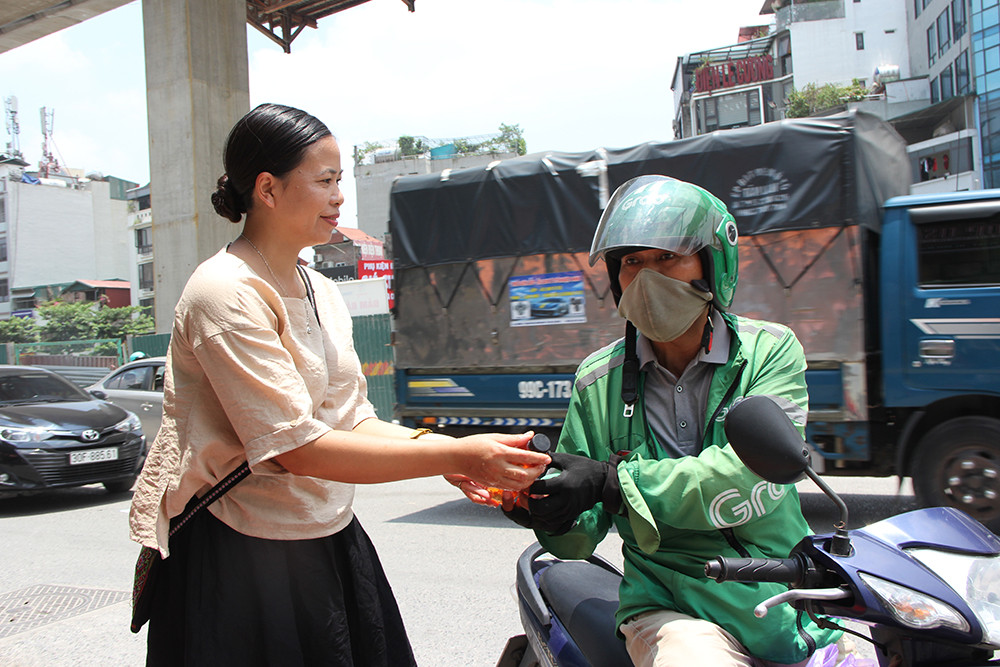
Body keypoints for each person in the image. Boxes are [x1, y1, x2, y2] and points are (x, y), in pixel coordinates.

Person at [128, 103, 550, 666]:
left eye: (340, 181)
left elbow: (352, 418)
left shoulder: (320, 289)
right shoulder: (225, 292)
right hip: (239, 552)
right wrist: (458, 455)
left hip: (326, 535)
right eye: (325, 181)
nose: (339, 198)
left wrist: (445, 451)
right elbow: (297, 447)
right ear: (268, 189)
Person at [504, 175, 842, 666]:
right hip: (670, 608)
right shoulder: (596, 381)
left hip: (786, 595)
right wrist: (547, 507)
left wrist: (615, 483)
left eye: (667, 257)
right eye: (632, 262)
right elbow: (579, 538)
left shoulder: (770, 351)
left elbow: (750, 479)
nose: (647, 278)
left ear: (713, 264)